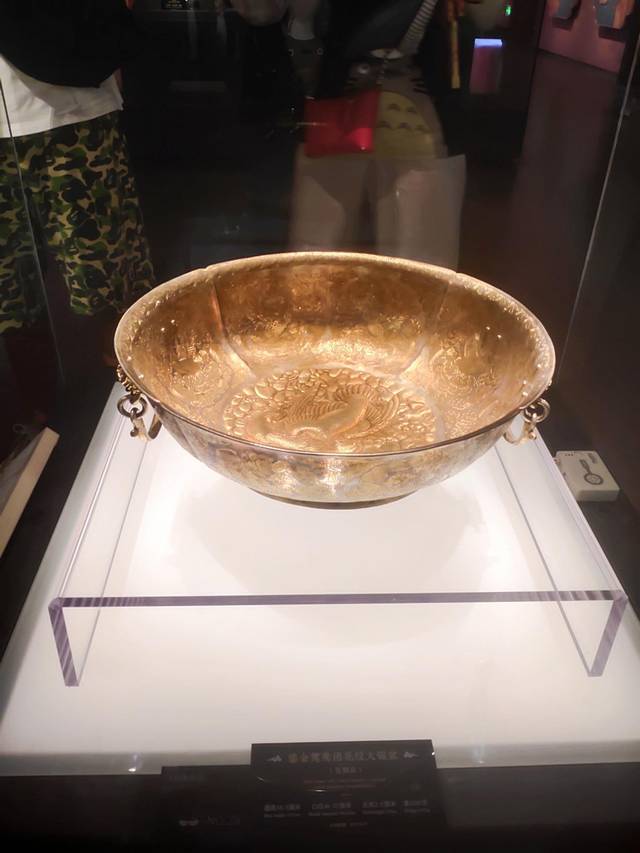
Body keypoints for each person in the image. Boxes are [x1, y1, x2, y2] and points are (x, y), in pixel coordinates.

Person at [0, 0, 154, 362]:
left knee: (107, 275)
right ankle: (32, 397)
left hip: (71, 108)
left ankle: (130, 384)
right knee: (10, 292)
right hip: (67, 102)